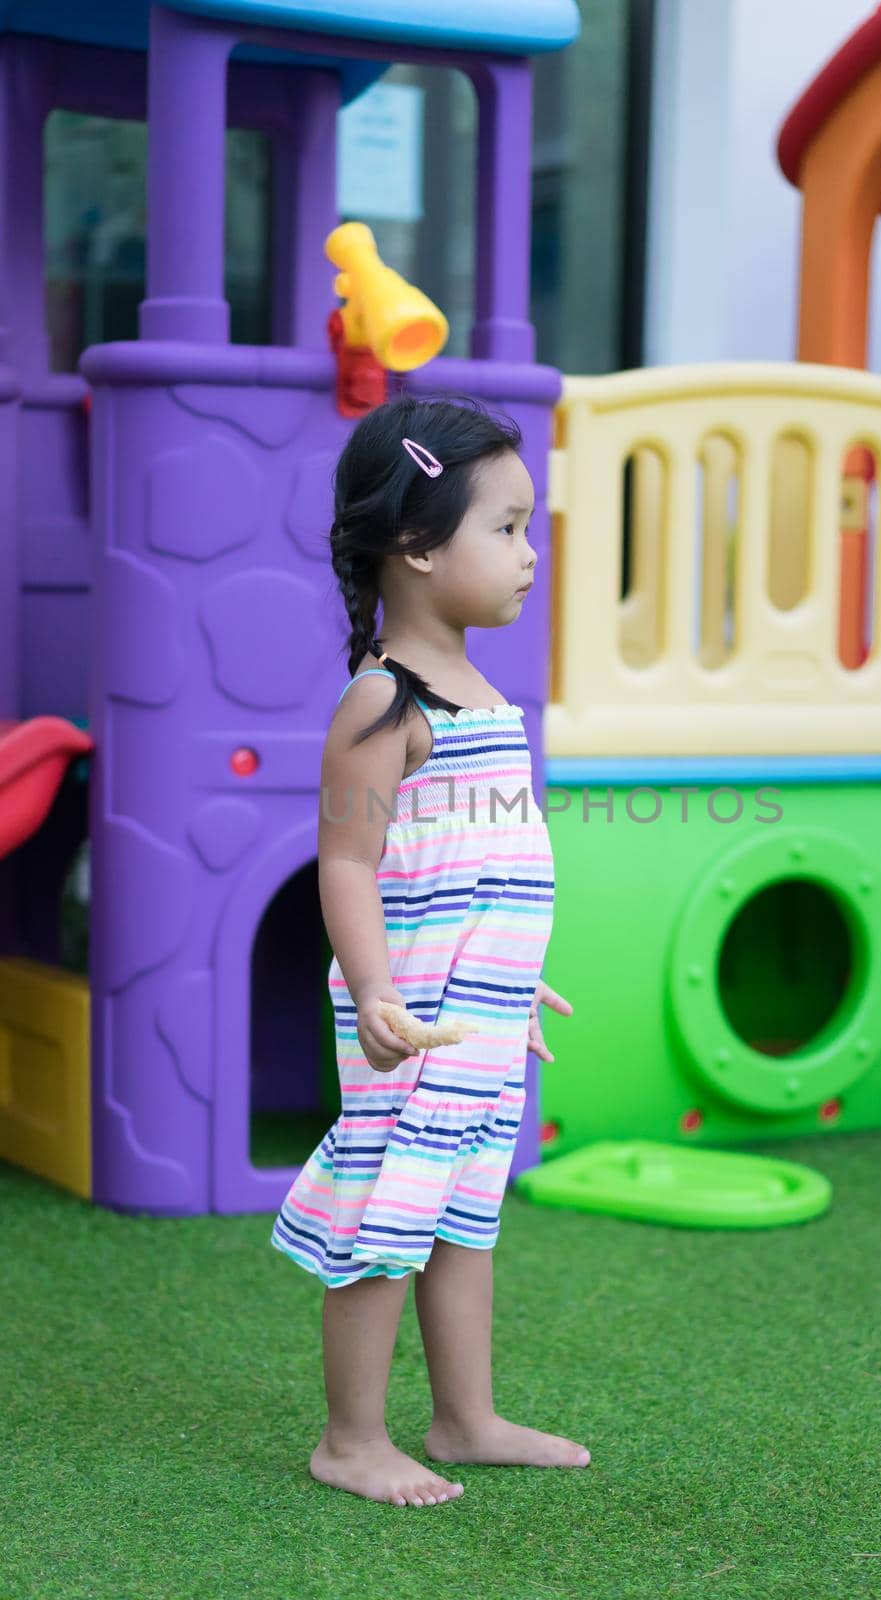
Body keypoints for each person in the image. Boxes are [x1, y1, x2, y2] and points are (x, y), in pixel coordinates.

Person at [270, 395, 589, 1507]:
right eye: (504, 529)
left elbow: (480, 854)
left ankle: (465, 1416)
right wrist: (374, 989)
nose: (529, 554)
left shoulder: (484, 695)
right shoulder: (382, 700)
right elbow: (350, 864)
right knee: (385, 1214)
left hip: (478, 1013)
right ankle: (350, 1438)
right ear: (415, 545)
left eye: (527, 526)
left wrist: (511, 977)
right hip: (411, 1020)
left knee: (463, 1209)